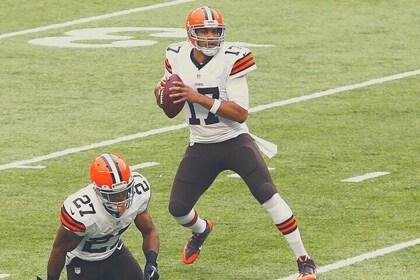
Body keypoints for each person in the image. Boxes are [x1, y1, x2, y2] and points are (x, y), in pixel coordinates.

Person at [153, 6, 316, 280]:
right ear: (190, 34)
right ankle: (201, 229)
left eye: (214, 32)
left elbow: (240, 112)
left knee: (268, 194)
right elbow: (167, 106)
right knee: (178, 209)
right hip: (200, 145)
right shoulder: (176, 56)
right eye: (203, 31)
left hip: (234, 141)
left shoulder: (232, 58)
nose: (210, 37)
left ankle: (304, 260)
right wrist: (159, 92)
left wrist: (198, 97)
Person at [46, 153, 160, 280]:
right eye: (114, 195)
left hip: (114, 253)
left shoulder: (139, 193)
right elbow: (59, 249)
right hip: (82, 260)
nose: (122, 199)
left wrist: (151, 263)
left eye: (125, 191)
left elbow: (149, 231)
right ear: (98, 191)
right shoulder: (83, 211)